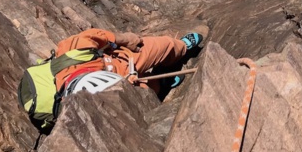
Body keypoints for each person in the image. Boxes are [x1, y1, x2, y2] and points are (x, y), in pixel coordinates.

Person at [52, 28, 204, 94]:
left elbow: (92, 35)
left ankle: (182, 47)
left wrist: (124, 39)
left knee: (164, 45)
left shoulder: (73, 52)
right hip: (124, 80)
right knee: (147, 90)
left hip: (118, 59)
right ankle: (161, 84)